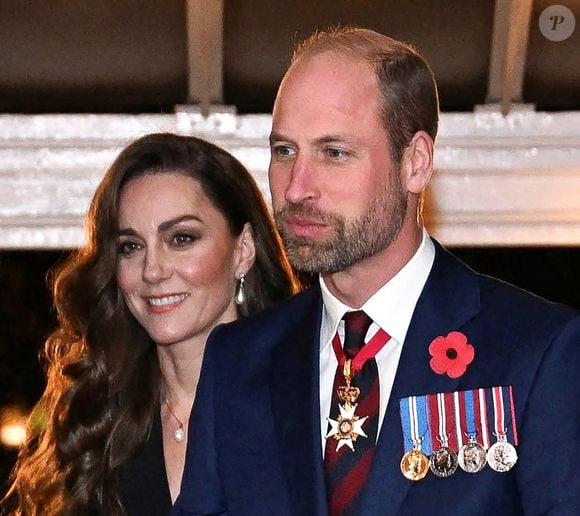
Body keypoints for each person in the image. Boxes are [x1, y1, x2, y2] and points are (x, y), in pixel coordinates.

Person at [173, 27, 580, 516]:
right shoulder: (238, 364)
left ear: (416, 163)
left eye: (334, 153)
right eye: (284, 151)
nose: (297, 187)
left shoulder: (538, 350)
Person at [3, 133, 300, 516]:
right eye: (130, 246)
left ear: (242, 250)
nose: (153, 270)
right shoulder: (101, 421)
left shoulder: (305, 401)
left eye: (181, 238)